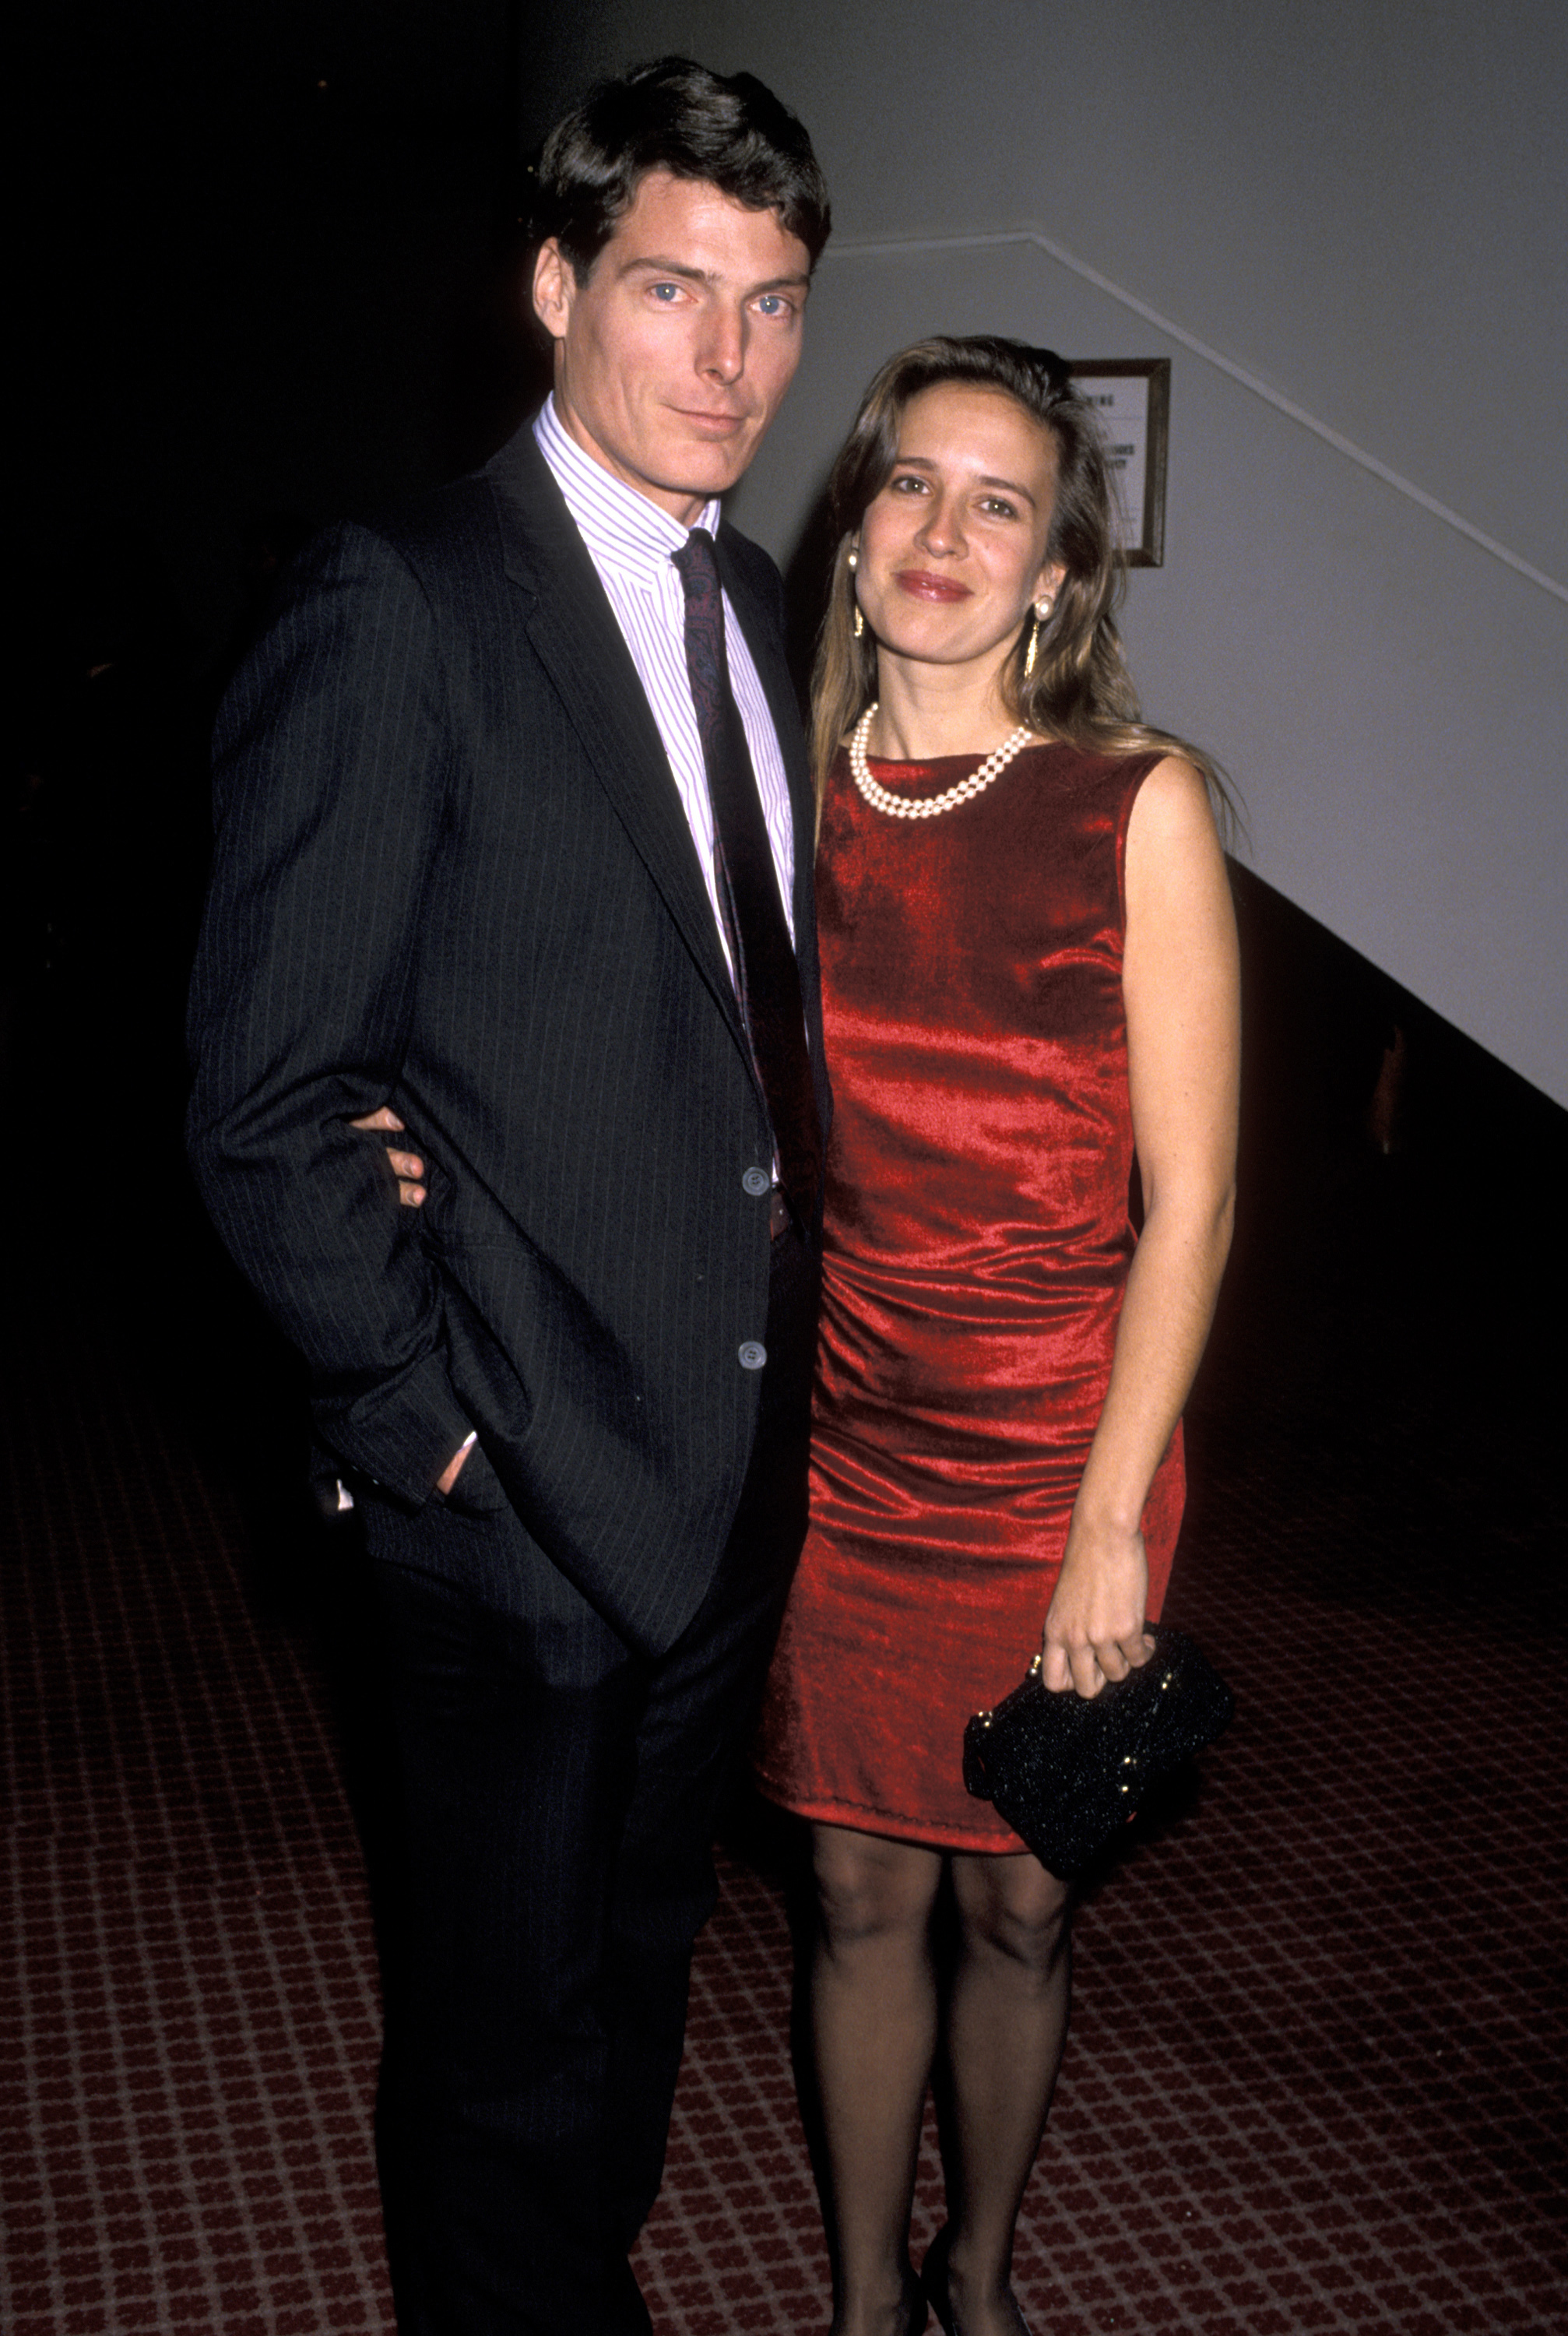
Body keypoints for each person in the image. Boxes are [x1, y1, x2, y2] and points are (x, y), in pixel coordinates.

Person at [185, 58, 831, 2336]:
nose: (726, 362)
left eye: (766, 306)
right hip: (511, 1483)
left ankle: (573, 2293)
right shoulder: (404, 600)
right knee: (496, 2038)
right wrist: (423, 1418)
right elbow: (261, 1088)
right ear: (556, 287)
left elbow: (728, 1013)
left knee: (633, 1982)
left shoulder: (755, 604)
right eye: (670, 290)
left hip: (729, 1465)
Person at [751, 337, 1241, 2336]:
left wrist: (1110, 1524)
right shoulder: (769, 798)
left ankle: (980, 2268)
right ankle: (867, 2300)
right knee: (859, 1895)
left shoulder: (1134, 805)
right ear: (852, 527)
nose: (941, 533)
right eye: (908, 487)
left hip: (1065, 1454)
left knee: (1016, 1907)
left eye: (999, 502)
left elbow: (1189, 1201)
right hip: (833, 1450)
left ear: (1055, 571)